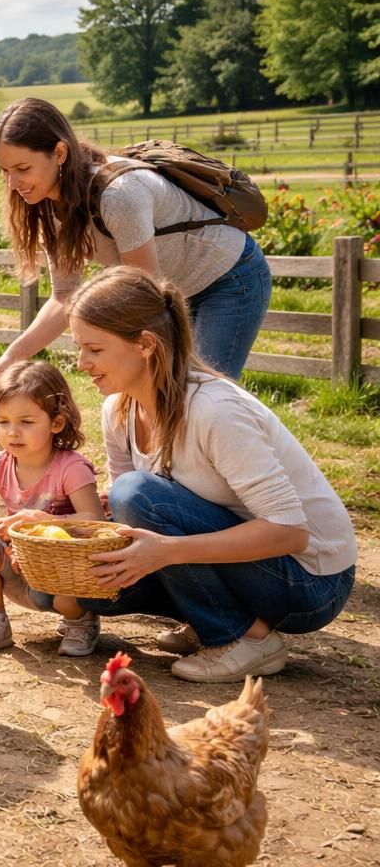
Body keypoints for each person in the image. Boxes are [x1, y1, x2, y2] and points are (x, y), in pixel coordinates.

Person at [70, 266, 356, 682]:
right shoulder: (119, 409)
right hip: (247, 560)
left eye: (93, 349)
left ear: (145, 344)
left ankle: (246, 638)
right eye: (80, 348)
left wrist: (165, 550)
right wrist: (57, 524)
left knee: (137, 495)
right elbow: (131, 516)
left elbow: (291, 533)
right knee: (87, 586)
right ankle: (211, 619)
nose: (82, 363)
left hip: (310, 581)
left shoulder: (215, 410)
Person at [0, 97, 272, 401]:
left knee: (201, 398)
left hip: (228, 278)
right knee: (164, 398)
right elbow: (64, 297)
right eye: (4, 171)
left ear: (60, 153)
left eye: (22, 168)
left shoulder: (119, 196)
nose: (12, 183)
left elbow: (147, 298)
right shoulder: (48, 206)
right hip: (172, 291)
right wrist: (11, 357)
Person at [0, 360, 105, 658]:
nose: (12, 432)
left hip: (64, 576)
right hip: (18, 570)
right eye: (3, 421)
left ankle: (80, 622)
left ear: (56, 423)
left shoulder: (71, 467)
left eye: (26, 422)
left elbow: (95, 520)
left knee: (68, 598)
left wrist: (46, 520)